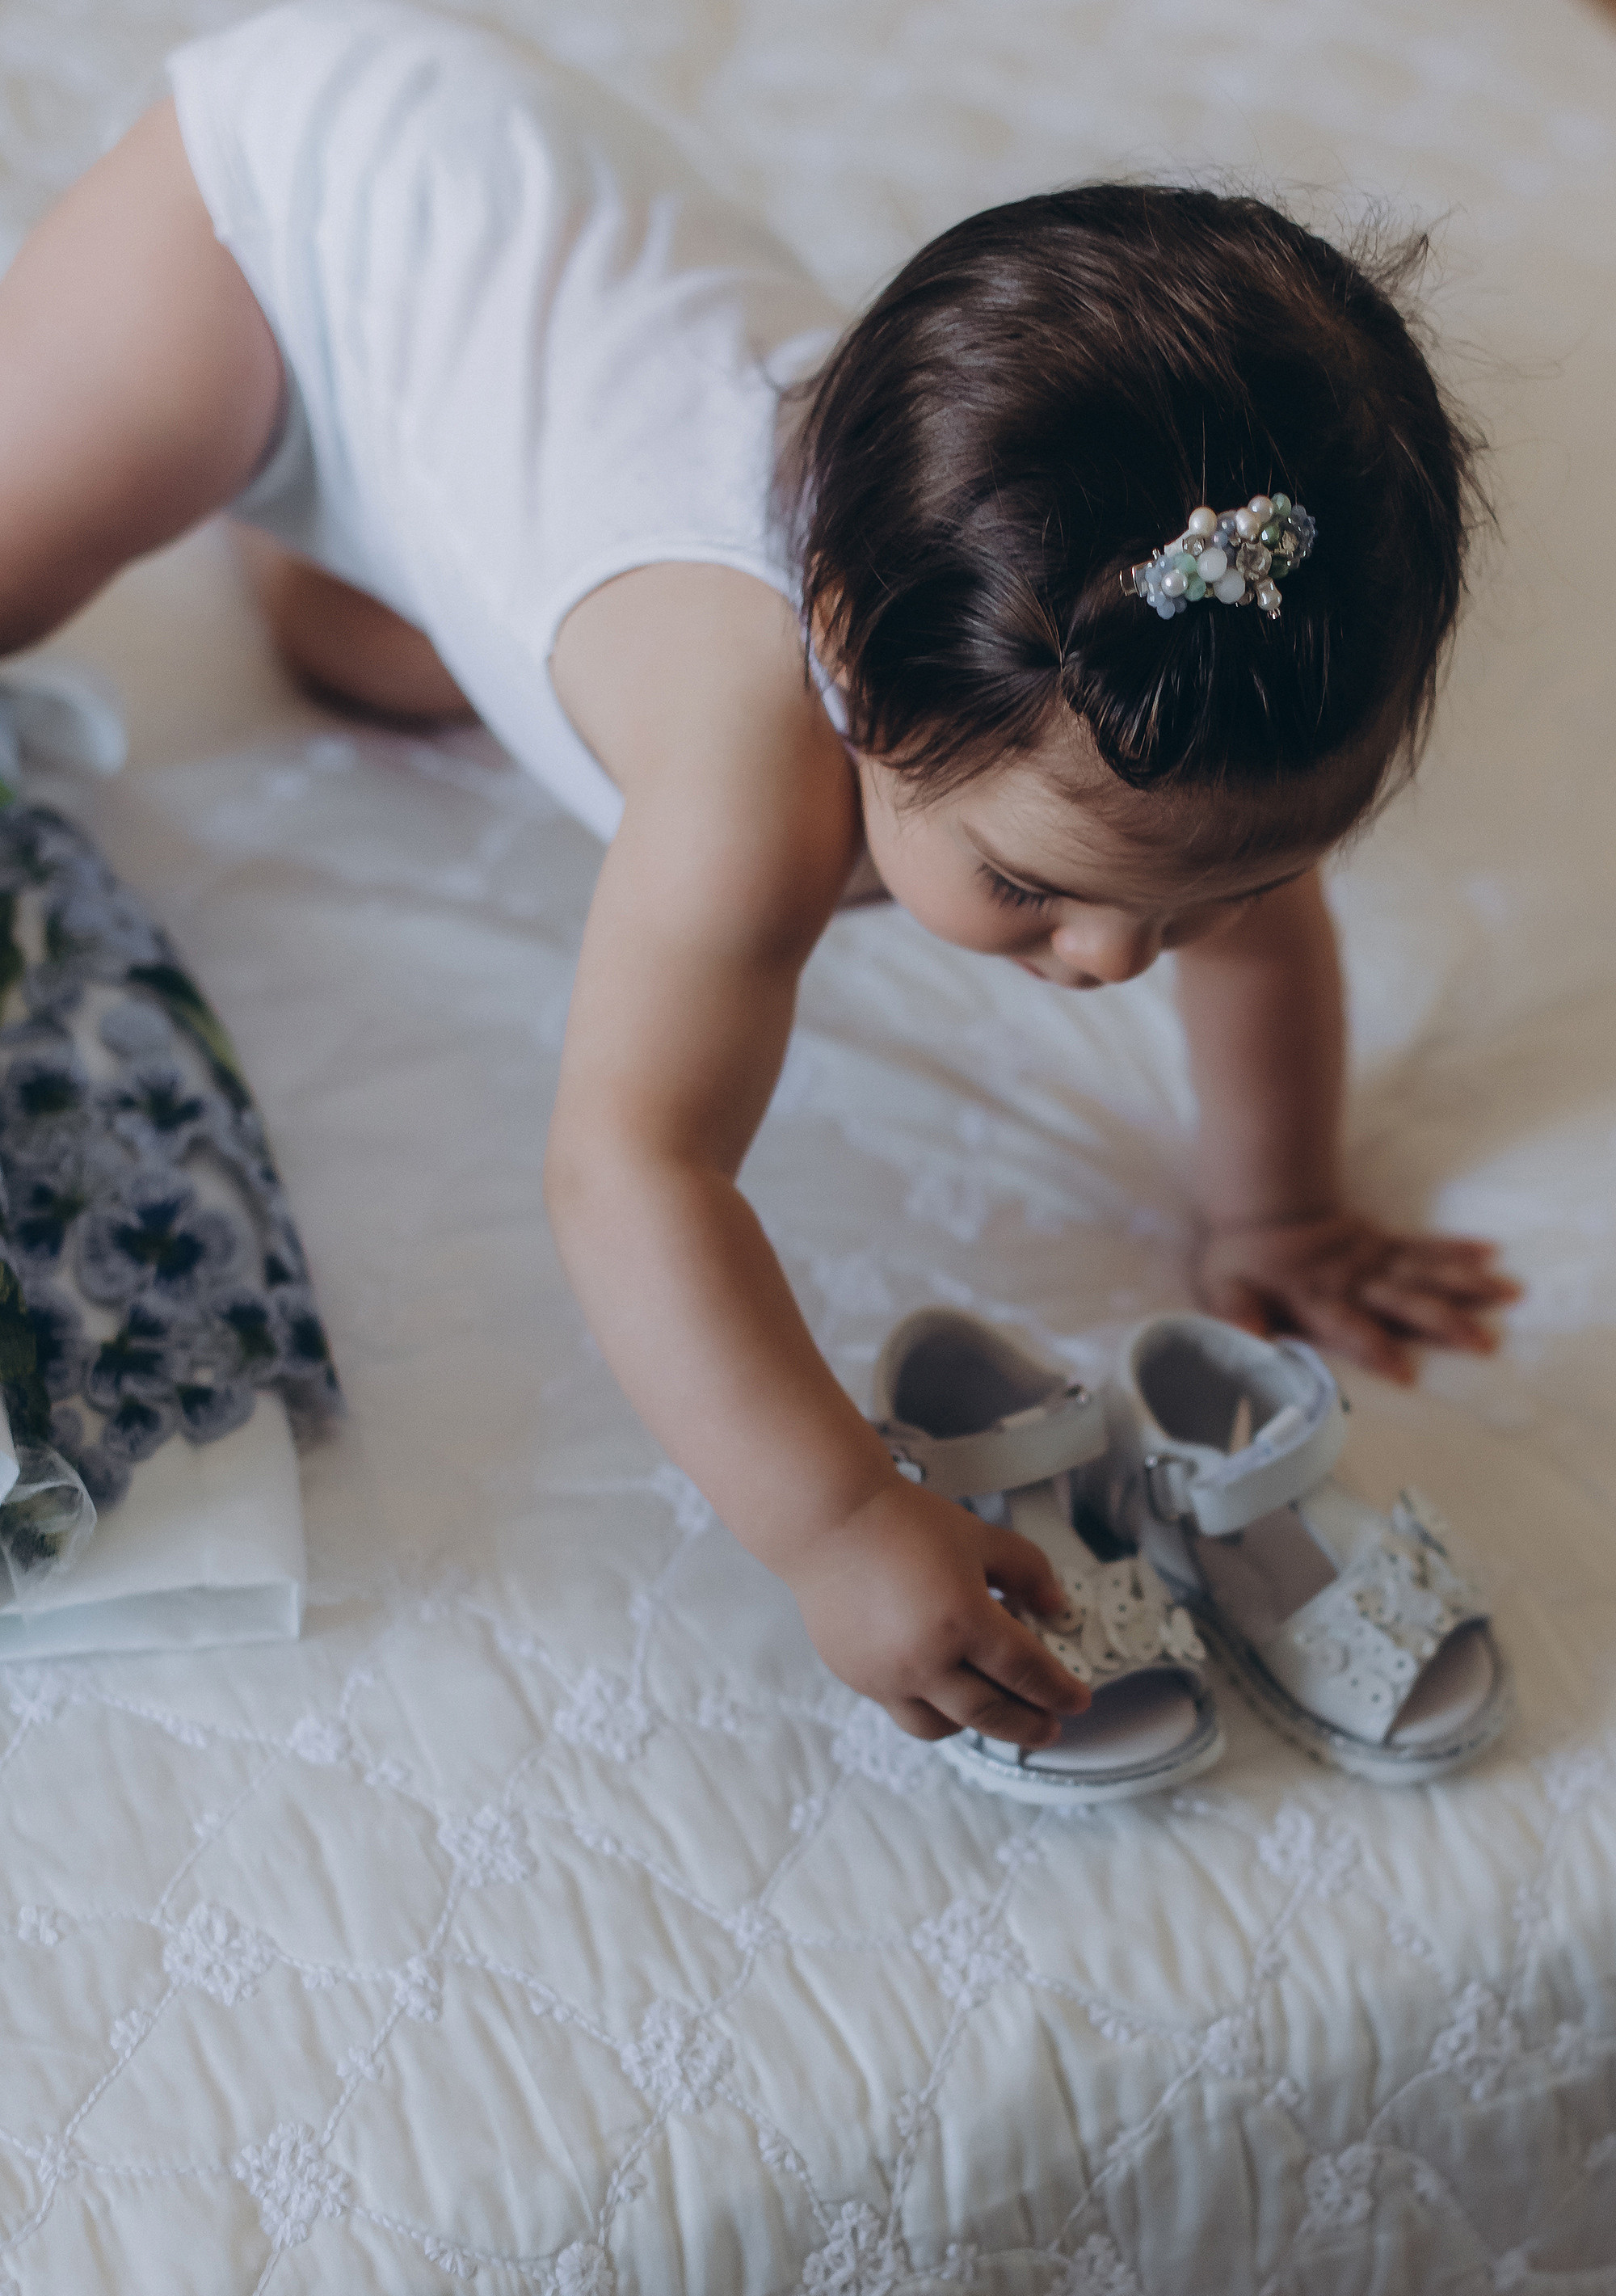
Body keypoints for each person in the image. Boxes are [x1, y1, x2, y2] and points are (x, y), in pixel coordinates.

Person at [0, 3, 1519, 1759]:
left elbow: (1263, 934)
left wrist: (1277, 1216)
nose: (1113, 960)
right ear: (846, 669)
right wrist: (839, 1525)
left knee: (377, 665)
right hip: (294, 220)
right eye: (1027, 887)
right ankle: (287, 481)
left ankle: (336, 538)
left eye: (1187, 905)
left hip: (480, 359)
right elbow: (635, 1168)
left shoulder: (1138, 732)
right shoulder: (749, 779)